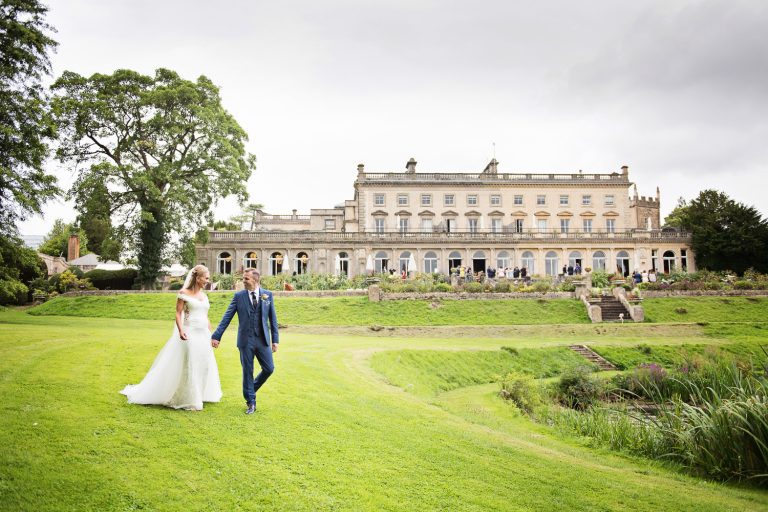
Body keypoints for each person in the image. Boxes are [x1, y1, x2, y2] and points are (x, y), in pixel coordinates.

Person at [121, 265, 222, 411]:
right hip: (190, 332)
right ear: (197, 278)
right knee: (190, 363)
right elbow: (178, 313)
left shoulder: (204, 296)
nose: (208, 280)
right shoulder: (183, 293)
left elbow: (206, 317)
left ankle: (199, 393)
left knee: (204, 364)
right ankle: (188, 398)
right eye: (205, 278)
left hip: (203, 334)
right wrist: (181, 330)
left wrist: (212, 336)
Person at [211, 269, 279, 415]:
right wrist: (217, 335)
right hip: (245, 340)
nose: (244, 281)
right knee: (247, 371)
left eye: (246, 279)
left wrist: (275, 340)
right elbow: (227, 317)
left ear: (255, 280)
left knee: (269, 368)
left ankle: (250, 389)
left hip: (263, 339)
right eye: (243, 278)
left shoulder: (267, 295)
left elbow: (273, 319)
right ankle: (251, 402)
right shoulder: (239, 296)